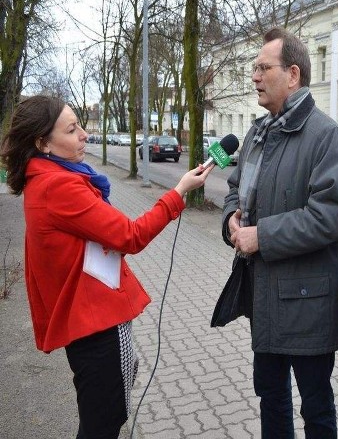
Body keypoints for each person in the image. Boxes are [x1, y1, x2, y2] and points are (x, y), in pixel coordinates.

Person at [0, 95, 213, 439]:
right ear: (43, 143)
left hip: (89, 320)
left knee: (104, 413)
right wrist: (179, 192)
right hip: (94, 324)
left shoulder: (47, 178)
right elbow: (130, 236)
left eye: (81, 125)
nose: (84, 134)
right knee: (103, 423)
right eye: (72, 130)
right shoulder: (59, 185)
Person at [220, 27, 338, 438]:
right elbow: (234, 187)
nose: (255, 77)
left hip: (308, 306)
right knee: (271, 397)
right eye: (254, 68)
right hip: (264, 298)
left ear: (293, 74)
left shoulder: (327, 137)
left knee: (315, 406)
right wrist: (231, 218)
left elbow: (333, 216)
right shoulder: (258, 132)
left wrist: (261, 235)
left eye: (263, 68)